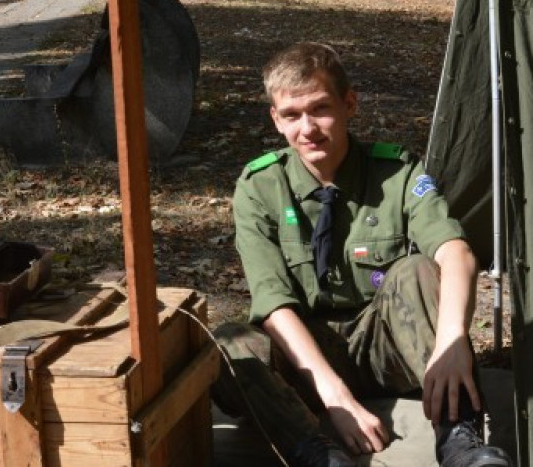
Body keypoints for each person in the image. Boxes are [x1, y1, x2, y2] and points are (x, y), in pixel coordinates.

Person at [212, 42, 512, 467]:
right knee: (229, 342)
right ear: (276, 120)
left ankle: (460, 440)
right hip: (307, 357)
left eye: (320, 108)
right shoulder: (260, 186)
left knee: (419, 269)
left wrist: (454, 339)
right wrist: (335, 397)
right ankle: (315, 452)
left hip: (383, 346)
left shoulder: (397, 171)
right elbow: (272, 301)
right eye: (292, 116)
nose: (308, 128)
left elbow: (456, 251)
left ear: (349, 104)